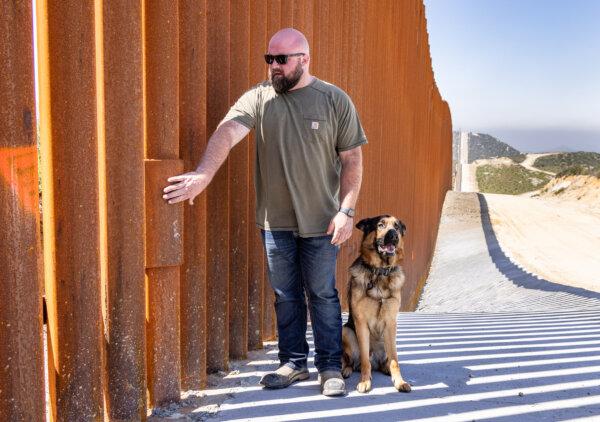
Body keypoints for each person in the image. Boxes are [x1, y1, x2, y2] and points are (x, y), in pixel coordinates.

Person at [163, 28, 366, 396]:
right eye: (268, 59)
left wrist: (347, 211)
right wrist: (204, 173)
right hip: (275, 222)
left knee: (321, 293)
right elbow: (227, 132)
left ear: (304, 59)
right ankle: (292, 363)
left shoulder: (334, 100)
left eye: (281, 60)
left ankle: (330, 367)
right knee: (285, 294)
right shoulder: (259, 98)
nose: (273, 67)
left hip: (323, 221)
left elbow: (352, 159)